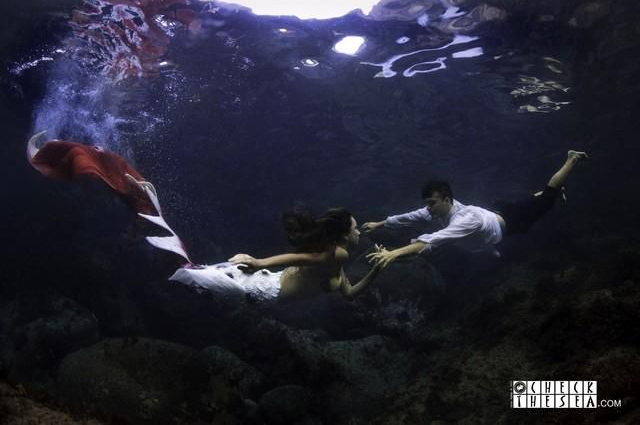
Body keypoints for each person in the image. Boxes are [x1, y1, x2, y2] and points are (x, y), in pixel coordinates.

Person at [363, 150, 588, 268]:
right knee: (529, 203)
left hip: (510, 221)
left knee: (547, 201)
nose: (427, 209)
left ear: (447, 199)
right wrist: (379, 224)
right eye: (427, 204)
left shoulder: (464, 221)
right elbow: (408, 218)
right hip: (493, 213)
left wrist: (394, 253)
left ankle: (572, 159)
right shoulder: (438, 210)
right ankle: (547, 194)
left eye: (431, 203)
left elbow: (431, 241)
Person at [171, 208, 383, 302]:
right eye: (354, 228)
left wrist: (377, 269)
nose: (358, 231)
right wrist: (259, 262)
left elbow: (350, 295)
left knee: (193, 274)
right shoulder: (338, 255)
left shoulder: (335, 261)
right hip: (265, 289)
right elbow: (303, 259)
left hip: (264, 284)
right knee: (190, 277)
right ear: (344, 235)